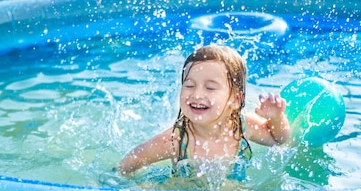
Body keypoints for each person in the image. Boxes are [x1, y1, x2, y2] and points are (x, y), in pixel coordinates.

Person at [118, 44, 291, 179]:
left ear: (236, 100)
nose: (197, 94)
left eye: (210, 88)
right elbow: (131, 161)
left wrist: (276, 117)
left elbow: (278, 140)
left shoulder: (243, 126)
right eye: (189, 85)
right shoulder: (176, 140)